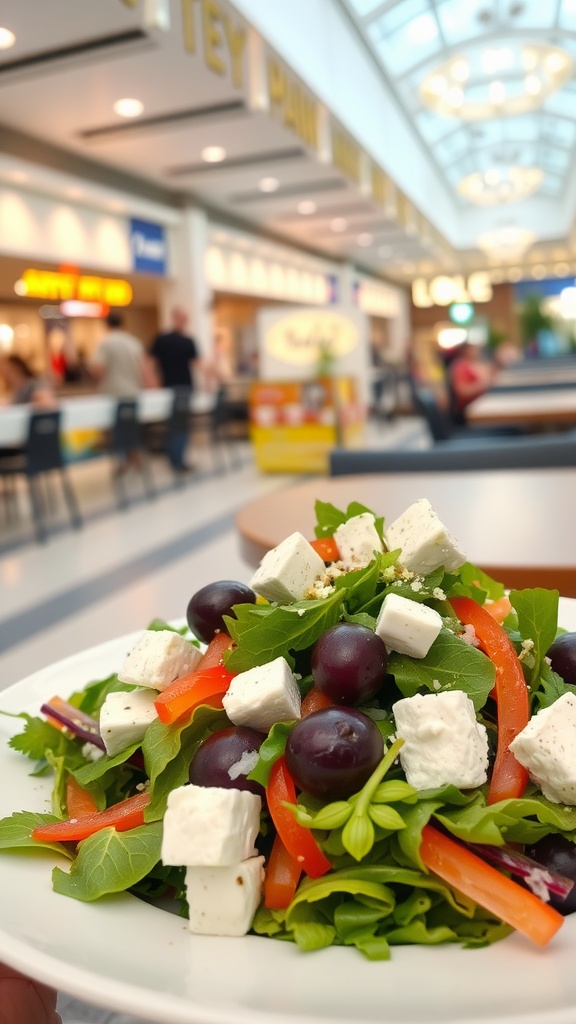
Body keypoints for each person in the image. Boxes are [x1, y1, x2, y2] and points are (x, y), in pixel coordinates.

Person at [148, 307, 201, 472]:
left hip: (183, 387)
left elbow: (197, 363)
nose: (184, 321)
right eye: (182, 317)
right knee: (177, 425)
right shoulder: (163, 339)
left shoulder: (188, 341)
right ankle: (176, 460)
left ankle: (178, 459)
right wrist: (152, 383)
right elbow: (149, 362)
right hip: (172, 388)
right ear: (175, 318)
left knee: (180, 425)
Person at [89, 312, 149, 398]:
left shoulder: (106, 343)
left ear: (107, 324)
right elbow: (143, 369)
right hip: (134, 392)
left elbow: (99, 370)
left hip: (113, 393)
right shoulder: (134, 342)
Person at [447, 342, 495, 424]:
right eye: (473, 349)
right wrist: (483, 384)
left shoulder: (476, 363)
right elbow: (462, 392)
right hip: (468, 412)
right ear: (465, 351)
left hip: (481, 406)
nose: (477, 351)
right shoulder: (460, 366)